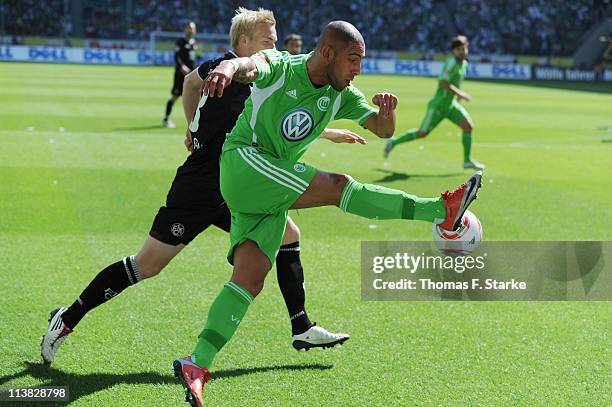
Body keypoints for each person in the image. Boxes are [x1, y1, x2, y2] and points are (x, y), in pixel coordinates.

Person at [173, 21, 482, 406]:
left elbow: (381, 130)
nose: (358, 70)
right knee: (338, 186)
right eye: (353, 60)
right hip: (246, 163)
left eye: (361, 61)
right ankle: (440, 209)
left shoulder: (341, 94)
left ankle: (196, 362)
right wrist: (226, 68)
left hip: (266, 188)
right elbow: (249, 66)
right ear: (327, 53)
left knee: (249, 279)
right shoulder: (282, 65)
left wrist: (387, 115)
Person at [41, 8, 366, 366]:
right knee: (147, 265)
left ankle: (300, 326)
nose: (276, 47)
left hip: (238, 188)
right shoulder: (230, 68)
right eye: (268, 41)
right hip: (200, 187)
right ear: (244, 42)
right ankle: (67, 319)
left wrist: (330, 132)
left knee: (288, 233)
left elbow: (281, 117)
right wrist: (194, 128)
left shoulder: (269, 76)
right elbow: (192, 84)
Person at [384, 35, 485, 170]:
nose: (462, 51)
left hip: (450, 105)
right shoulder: (451, 63)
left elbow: (455, 82)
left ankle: (467, 161)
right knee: (422, 133)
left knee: (468, 127)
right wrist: (460, 94)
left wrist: (457, 96)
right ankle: (394, 141)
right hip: (438, 105)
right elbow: (443, 82)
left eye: (464, 48)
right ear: (454, 51)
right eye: (459, 49)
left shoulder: (464, 64)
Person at [163, 22, 198, 128]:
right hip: (180, 75)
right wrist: (182, 66)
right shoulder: (180, 42)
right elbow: (177, 56)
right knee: (175, 96)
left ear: (195, 30)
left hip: (192, 75)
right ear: (185, 30)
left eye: (192, 28)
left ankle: (195, 123)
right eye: (188, 28)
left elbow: (193, 58)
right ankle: (166, 119)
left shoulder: (193, 43)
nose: (190, 30)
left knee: (196, 97)